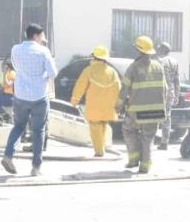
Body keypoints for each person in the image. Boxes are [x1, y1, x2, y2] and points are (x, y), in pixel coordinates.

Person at [0, 23, 57, 177]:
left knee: (18, 126)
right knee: (38, 131)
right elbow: (53, 73)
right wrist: (41, 77)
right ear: (36, 36)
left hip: (20, 95)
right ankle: (36, 167)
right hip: (39, 96)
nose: (43, 39)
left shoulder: (15, 49)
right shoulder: (44, 51)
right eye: (42, 36)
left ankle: (8, 155)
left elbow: (16, 67)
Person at [118, 36, 167, 174]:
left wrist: (118, 106)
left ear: (138, 50)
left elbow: (124, 90)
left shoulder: (133, 67)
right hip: (156, 111)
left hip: (136, 112)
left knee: (128, 130)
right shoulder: (159, 66)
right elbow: (165, 89)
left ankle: (134, 159)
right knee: (148, 137)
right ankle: (145, 166)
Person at [70, 45, 121, 158]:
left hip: (94, 105)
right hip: (108, 106)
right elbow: (118, 87)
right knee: (103, 125)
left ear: (94, 57)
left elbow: (80, 86)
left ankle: (99, 151)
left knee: (95, 126)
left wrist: (75, 100)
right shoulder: (112, 71)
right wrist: (118, 103)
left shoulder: (89, 70)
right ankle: (101, 148)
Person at [154, 41, 180, 150]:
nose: (158, 49)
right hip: (170, 92)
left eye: (159, 48)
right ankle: (165, 142)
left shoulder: (158, 61)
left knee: (154, 115)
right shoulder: (174, 62)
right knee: (167, 117)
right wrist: (177, 95)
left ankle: (151, 140)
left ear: (163, 49)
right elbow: (177, 80)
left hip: (159, 91)